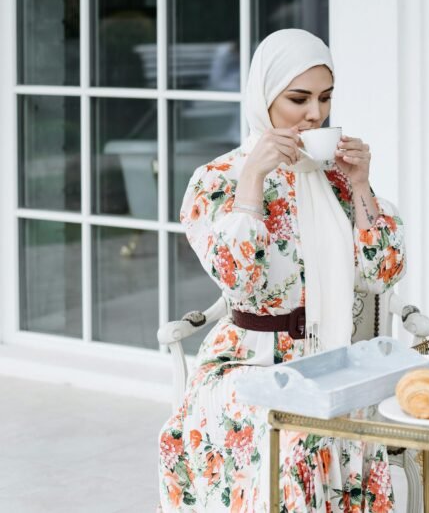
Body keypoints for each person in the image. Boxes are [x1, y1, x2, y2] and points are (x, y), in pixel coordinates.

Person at [158, 29, 405, 512]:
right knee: (294, 434)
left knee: (335, 425)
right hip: (245, 364)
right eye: (299, 99)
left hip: (329, 360)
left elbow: (382, 274)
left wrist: (360, 187)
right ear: (264, 97)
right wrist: (253, 177)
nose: (315, 114)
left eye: (325, 98)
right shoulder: (217, 180)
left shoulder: (335, 178)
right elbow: (239, 281)